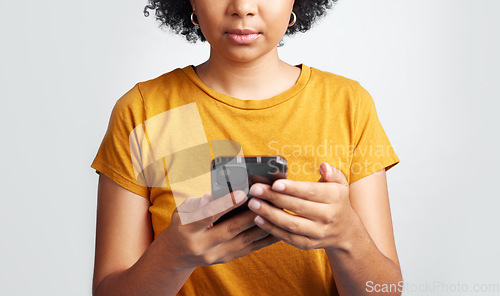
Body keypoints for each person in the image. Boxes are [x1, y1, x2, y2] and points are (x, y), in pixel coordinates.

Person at [91, 0, 403, 295]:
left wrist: (347, 237)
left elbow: (387, 290)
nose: (242, 7)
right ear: (192, 3)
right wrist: (173, 256)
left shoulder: (347, 105)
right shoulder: (144, 111)